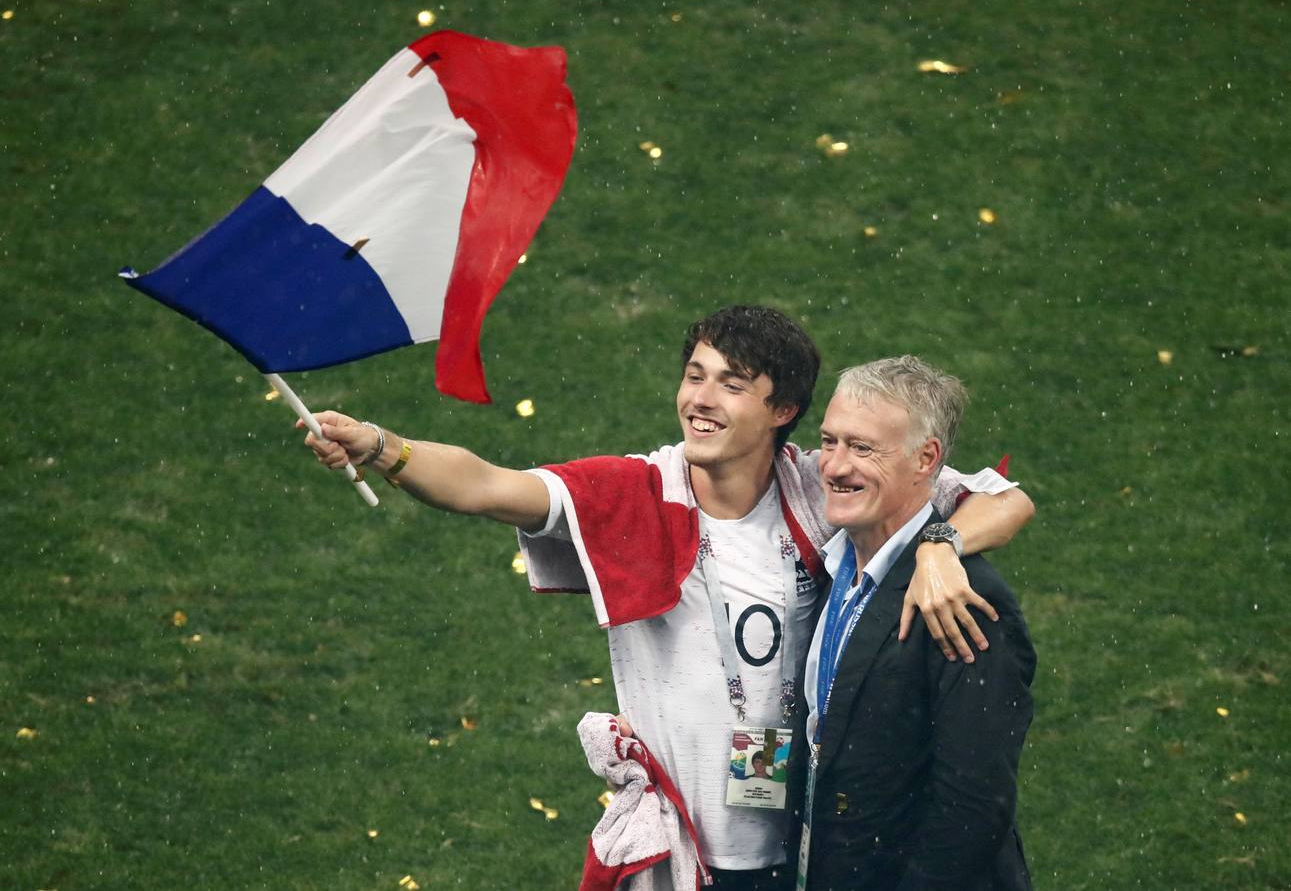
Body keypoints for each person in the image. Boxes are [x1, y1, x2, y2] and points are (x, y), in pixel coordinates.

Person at [299, 306, 1034, 889]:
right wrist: (382, 446)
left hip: (796, 844)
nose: (699, 400)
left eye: (730, 383)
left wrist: (941, 544)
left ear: (782, 411)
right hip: (682, 849)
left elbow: (1007, 500)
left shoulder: (821, 483)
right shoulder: (635, 491)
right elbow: (487, 485)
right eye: (693, 374)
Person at [796, 356, 1036, 891]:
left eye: (862, 448)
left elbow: (972, 808)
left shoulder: (964, 599)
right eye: (829, 441)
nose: (834, 466)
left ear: (926, 459)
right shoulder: (835, 566)